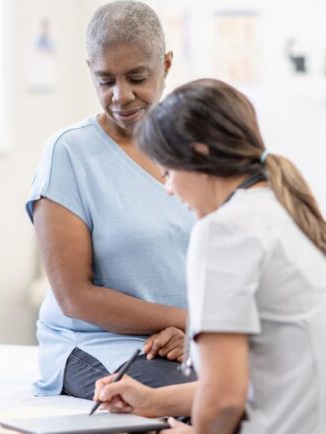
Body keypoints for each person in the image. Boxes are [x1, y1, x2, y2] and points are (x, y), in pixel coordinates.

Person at [92, 78, 326, 434]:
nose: (169, 189)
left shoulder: (223, 231)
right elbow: (265, 381)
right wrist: (154, 401)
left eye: (169, 171)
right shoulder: (303, 217)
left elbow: (224, 401)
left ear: (200, 152)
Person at [25, 1, 196, 399]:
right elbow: (74, 297)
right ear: (90, 71)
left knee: (265, 388)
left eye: (137, 77)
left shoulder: (189, 146)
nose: (121, 96)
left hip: (181, 339)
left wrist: (196, 332)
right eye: (105, 80)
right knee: (201, 401)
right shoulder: (69, 154)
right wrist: (193, 321)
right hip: (96, 344)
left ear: (166, 65)